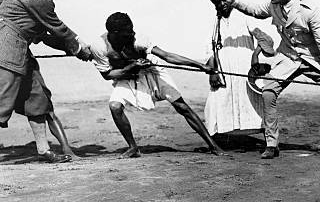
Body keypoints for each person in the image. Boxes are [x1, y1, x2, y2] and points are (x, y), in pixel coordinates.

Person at [0, 0, 92, 167]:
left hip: (20, 55)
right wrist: (79, 47)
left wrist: (76, 50)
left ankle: (44, 150)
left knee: (37, 100)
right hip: (5, 53)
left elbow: (47, 37)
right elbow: (58, 28)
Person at [229, 0, 320, 159]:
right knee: (268, 92)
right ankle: (271, 144)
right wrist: (234, 1)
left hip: (313, 59)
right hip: (286, 58)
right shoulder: (273, 5)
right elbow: (254, 11)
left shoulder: (309, 11)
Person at [89, 12, 225, 158]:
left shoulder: (138, 40)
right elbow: (107, 75)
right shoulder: (100, 46)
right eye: (128, 32)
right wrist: (130, 68)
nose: (133, 33)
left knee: (181, 106)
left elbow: (167, 56)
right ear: (115, 33)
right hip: (128, 76)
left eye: (132, 29)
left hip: (152, 70)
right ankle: (133, 148)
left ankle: (213, 145)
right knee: (115, 106)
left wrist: (200, 66)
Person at [205, 0, 275, 140]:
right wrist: (213, 72)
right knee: (216, 103)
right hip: (224, 71)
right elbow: (211, 50)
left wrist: (255, 55)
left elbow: (266, 40)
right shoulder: (215, 23)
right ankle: (220, 139)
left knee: (255, 104)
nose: (221, 3)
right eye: (217, 1)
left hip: (245, 70)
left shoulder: (245, 17)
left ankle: (269, 140)